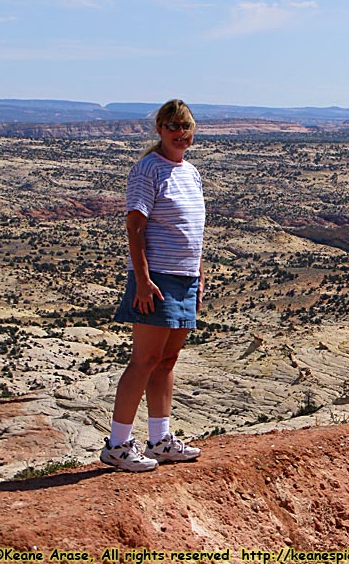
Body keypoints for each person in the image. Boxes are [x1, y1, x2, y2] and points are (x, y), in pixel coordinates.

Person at [100, 99, 206, 472]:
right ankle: (117, 445)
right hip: (157, 278)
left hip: (184, 278)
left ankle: (160, 439)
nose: (180, 134)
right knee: (144, 359)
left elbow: (194, 231)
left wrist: (199, 275)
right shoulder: (147, 170)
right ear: (159, 130)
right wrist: (142, 281)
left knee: (166, 361)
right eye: (173, 127)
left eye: (186, 127)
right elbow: (135, 226)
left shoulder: (190, 173)